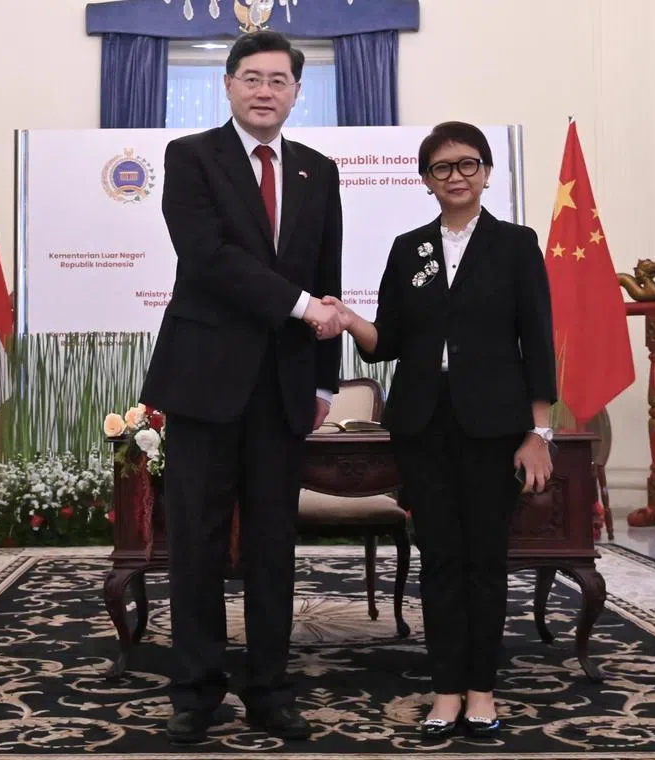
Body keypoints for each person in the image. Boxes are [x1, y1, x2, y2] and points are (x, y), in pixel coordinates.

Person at [139, 30, 344, 744]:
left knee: (272, 543)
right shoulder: (191, 157)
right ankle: (196, 692)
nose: (265, 91)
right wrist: (300, 306)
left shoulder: (319, 170)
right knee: (196, 541)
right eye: (252, 77)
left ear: (296, 92)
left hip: (285, 385)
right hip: (204, 380)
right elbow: (209, 257)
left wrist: (324, 383)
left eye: (278, 80)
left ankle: (270, 690)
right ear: (227, 85)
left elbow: (327, 276)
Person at [322, 121, 558, 740]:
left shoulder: (516, 245)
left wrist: (540, 433)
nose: (456, 176)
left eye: (468, 163)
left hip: (495, 425)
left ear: (487, 172)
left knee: (485, 559)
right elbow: (388, 343)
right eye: (442, 167)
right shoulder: (410, 248)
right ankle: (447, 690)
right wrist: (350, 319)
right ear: (426, 180)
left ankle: (482, 690)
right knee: (441, 559)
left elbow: (537, 341)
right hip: (423, 425)